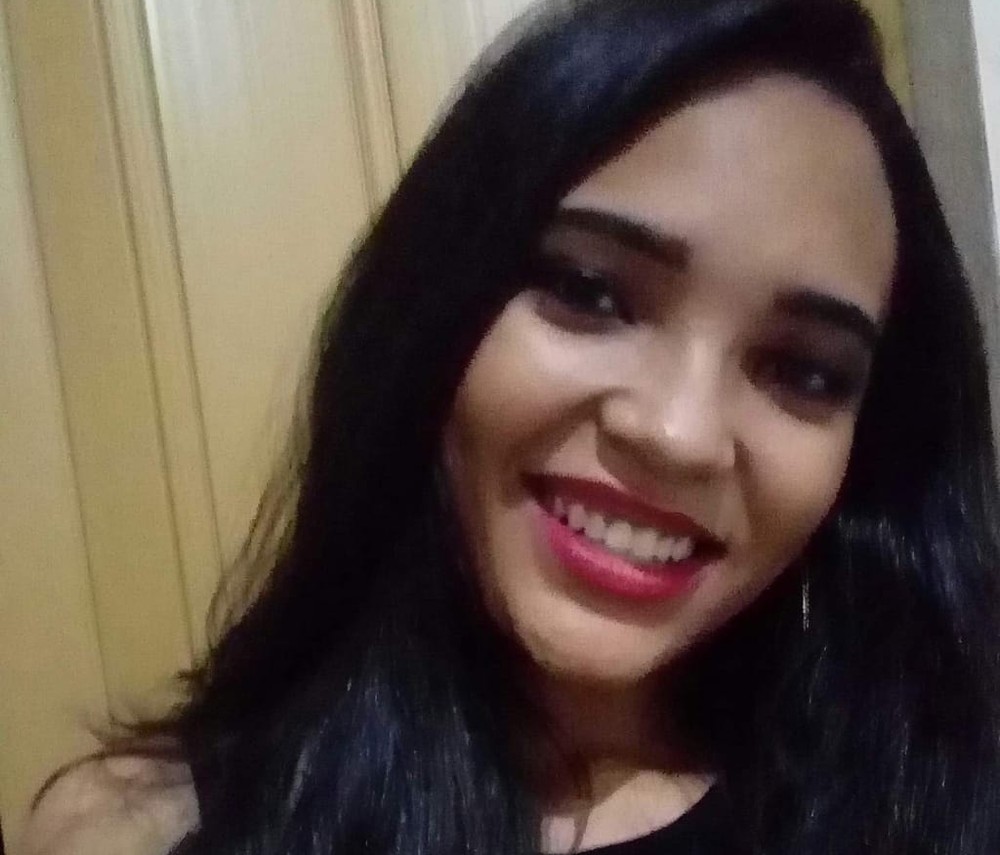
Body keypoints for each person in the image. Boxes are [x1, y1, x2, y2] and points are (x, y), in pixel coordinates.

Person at [22, 0, 1000, 852]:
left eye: (804, 371)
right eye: (590, 291)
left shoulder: (945, 808)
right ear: (435, 304)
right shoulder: (137, 830)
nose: (679, 433)